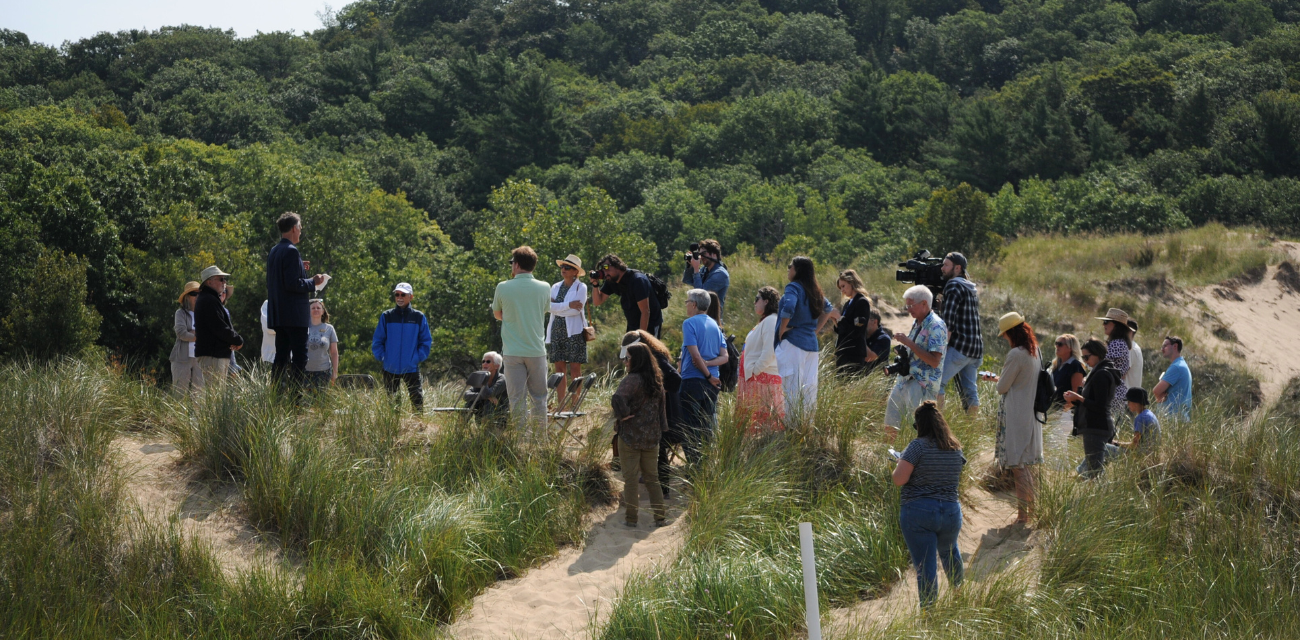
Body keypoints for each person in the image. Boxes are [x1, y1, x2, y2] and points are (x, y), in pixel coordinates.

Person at [892, 401, 966, 609]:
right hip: (951, 511)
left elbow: (899, 479)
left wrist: (900, 462)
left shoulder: (917, 446)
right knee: (950, 553)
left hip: (919, 510)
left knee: (925, 565)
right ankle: (960, 597)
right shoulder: (955, 447)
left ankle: (929, 611)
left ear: (920, 425)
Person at [266, 212, 328, 387]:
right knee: (300, 358)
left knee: (281, 357)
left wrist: (300, 266)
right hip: (294, 317)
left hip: (279, 315)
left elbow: (280, 280)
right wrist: (313, 282)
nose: (300, 231)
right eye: (300, 227)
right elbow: (293, 284)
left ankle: (276, 397)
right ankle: (295, 402)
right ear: (294, 228)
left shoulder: (275, 250)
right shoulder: (292, 251)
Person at [992, 312, 1043, 524]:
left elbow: (1002, 387)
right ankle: (1029, 512)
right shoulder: (1035, 352)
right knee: (1026, 466)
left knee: (1018, 468)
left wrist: (998, 379)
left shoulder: (1016, 354)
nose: (1005, 339)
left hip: (1016, 414)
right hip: (1031, 414)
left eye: (1005, 335)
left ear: (1011, 333)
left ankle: (1023, 517)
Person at [493, 246, 551, 429]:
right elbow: (543, 310)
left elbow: (497, 314)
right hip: (536, 351)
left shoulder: (503, 287)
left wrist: (511, 317)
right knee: (540, 398)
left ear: (517, 264)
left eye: (512, 262)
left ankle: (520, 440)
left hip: (513, 351)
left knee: (517, 399)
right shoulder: (545, 287)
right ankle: (540, 439)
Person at [612, 343, 669, 528]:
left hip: (630, 436)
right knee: (652, 478)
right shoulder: (657, 380)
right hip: (652, 438)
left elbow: (617, 398)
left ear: (636, 359)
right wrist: (661, 430)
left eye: (627, 358)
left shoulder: (632, 380)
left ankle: (631, 519)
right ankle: (660, 518)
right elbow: (662, 410)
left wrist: (623, 415)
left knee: (630, 480)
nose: (625, 361)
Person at [622, 331, 683, 498]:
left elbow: (676, 380)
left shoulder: (655, 356)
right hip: (665, 410)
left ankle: (664, 491)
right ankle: (658, 487)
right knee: (657, 448)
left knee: (660, 448)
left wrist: (658, 393)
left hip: (668, 412)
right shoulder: (650, 356)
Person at [884, 286, 948, 440]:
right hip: (905, 379)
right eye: (907, 305)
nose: (908, 309)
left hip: (922, 384)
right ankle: (889, 458)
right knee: (891, 422)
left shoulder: (936, 326)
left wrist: (910, 343)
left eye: (911, 305)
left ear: (924, 303)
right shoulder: (918, 322)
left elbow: (934, 361)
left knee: (917, 430)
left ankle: (913, 460)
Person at [776, 256, 835, 421]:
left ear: (797, 270)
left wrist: (781, 331)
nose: (788, 269)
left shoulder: (793, 287)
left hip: (793, 342)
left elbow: (788, 307)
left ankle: (791, 429)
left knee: (791, 388)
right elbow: (828, 309)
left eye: (790, 266)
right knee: (809, 389)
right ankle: (806, 427)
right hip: (811, 345)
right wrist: (815, 330)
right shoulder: (813, 289)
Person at [678, 289, 728, 464]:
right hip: (712, 383)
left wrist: (705, 372)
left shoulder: (689, 323)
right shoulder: (716, 326)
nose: (686, 305)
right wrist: (709, 369)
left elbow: (695, 356)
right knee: (707, 427)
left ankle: (694, 470)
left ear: (694, 304)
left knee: (689, 429)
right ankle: (708, 466)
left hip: (693, 381)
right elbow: (725, 357)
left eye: (687, 302)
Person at [1063, 339, 1121, 477]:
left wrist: (1078, 397)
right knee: (1094, 470)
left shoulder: (1101, 373)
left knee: (1094, 473)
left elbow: (1099, 405)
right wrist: (1077, 399)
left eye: (1086, 357)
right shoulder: (1100, 372)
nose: (1085, 361)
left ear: (1097, 354)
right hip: (1098, 426)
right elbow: (1094, 403)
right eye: (1083, 357)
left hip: (1096, 427)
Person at [372, 282, 432, 412]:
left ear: (411, 297)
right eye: (397, 294)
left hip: (411, 366)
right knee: (392, 401)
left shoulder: (419, 317)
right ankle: (394, 427)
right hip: (390, 366)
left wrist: (417, 358)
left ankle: (418, 426)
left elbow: (426, 341)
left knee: (417, 399)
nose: (399, 297)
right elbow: (378, 340)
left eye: (403, 295)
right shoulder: (386, 316)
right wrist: (383, 357)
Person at [937, 252, 983, 416]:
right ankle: (972, 430)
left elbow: (948, 323)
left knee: (937, 383)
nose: (942, 268)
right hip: (975, 349)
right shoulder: (970, 287)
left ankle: (937, 425)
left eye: (946, 265)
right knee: (971, 391)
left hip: (960, 347)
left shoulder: (953, 285)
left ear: (957, 268)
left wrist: (940, 350)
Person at [738, 286, 785, 430]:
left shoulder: (771, 320)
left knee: (763, 423)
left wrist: (755, 371)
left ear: (766, 301)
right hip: (758, 379)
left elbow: (770, 351)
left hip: (763, 380)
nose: (754, 303)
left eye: (757, 299)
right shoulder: (766, 320)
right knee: (756, 423)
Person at [547, 254, 589, 408]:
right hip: (557, 330)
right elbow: (548, 307)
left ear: (575, 272)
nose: (563, 269)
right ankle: (561, 405)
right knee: (559, 369)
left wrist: (559, 307)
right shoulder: (555, 287)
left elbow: (575, 311)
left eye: (567, 267)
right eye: (562, 267)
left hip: (575, 331)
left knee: (575, 368)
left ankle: (575, 403)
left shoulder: (581, 287)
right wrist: (568, 305)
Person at [591, 253, 663, 337]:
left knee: (649, 350)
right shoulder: (612, 280)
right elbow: (597, 302)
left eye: (606, 267)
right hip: (633, 326)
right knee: (628, 350)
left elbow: (645, 311)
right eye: (602, 269)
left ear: (617, 265)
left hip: (650, 325)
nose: (605, 272)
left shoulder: (637, 280)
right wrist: (595, 284)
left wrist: (641, 336)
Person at [193, 265, 243, 384]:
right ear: (209, 282)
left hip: (215, 355)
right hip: (213, 356)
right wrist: (238, 340)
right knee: (216, 397)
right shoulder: (208, 300)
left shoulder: (209, 299)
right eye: (221, 279)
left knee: (217, 396)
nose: (224, 282)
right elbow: (219, 327)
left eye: (224, 279)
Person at [833, 269, 873, 376]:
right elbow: (842, 330)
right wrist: (835, 320)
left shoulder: (861, 302)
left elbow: (856, 331)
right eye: (840, 287)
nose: (842, 290)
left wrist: (840, 319)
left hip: (853, 353)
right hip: (843, 352)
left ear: (851, 283)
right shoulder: (848, 303)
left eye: (843, 286)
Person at [1096, 308, 1133, 417]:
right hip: (1114, 391)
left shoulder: (1117, 344)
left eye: (1106, 322)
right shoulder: (1119, 343)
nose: (1103, 324)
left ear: (1116, 325)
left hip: (1113, 392)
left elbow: (1101, 365)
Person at [170, 282, 203, 394]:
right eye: (194, 293)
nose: (197, 296)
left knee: (199, 395)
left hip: (200, 359)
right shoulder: (180, 313)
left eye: (200, 293)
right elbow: (181, 333)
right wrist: (199, 336)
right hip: (181, 358)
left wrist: (192, 334)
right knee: (179, 394)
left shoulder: (204, 313)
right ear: (187, 297)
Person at [683, 238, 730, 317]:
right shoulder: (705, 270)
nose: (701, 257)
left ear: (714, 254)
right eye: (700, 254)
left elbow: (701, 295)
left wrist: (696, 269)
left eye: (704, 253)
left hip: (713, 319)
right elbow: (687, 280)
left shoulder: (720, 274)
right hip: (702, 316)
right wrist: (690, 266)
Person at [1152, 335, 1192, 422]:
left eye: (1165, 346)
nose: (1162, 349)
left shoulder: (1176, 367)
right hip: (1178, 418)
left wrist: (1159, 396)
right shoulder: (1181, 365)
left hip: (1173, 419)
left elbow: (1156, 391)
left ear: (1175, 346)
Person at [464, 351, 509, 422]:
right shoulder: (480, 377)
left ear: (496, 366)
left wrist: (485, 382)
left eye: (488, 361)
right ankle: (460, 427)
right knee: (470, 403)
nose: (484, 363)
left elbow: (488, 393)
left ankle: (487, 430)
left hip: (499, 413)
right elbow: (466, 395)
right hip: (482, 410)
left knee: (490, 403)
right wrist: (486, 397)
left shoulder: (502, 379)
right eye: (483, 361)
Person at [305, 299, 339, 390]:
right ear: (308, 310)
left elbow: (334, 352)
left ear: (323, 311)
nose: (316, 310)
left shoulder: (329, 328)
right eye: (313, 308)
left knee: (321, 402)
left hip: (323, 371)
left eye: (318, 308)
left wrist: (335, 373)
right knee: (305, 402)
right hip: (304, 371)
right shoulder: (303, 327)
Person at [1116, 387, 1160, 452]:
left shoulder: (1140, 418)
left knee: (1106, 447)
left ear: (1136, 403)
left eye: (1129, 402)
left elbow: (1134, 445)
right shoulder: (1150, 414)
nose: (1127, 404)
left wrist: (1116, 443)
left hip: (1141, 454)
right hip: (1152, 453)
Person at [1050, 334, 1085, 407]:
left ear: (1070, 348)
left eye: (1060, 344)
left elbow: (1075, 394)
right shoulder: (1056, 365)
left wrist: (1063, 412)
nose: (1057, 346)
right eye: (1056, 343)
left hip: (1066, 413)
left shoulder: (1075, 365)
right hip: (1052, 409)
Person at [862, 309, 893, 376]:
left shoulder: (884, 339)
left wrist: (858, 336)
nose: (863, 323)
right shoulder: (863, 336)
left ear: (875, 322)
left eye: (865, 319)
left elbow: (869, 357)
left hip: (877, 380)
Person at [220, 285, 241, 375]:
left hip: (226, 351)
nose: (223, 294)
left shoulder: (225, 311)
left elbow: (229, 330)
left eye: (225, 292)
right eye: (221, 292)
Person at [1126, 319, 1144, 392]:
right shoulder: (1134, 347)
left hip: (1125, 398)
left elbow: (1120, 374)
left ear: (1130, 331)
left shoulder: (1130, 349)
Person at [259, 300, 276, 365]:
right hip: (270, 357)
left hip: (291, 357)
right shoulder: (268, 304)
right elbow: (270, 328)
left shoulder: (293, 304)